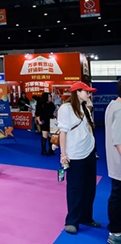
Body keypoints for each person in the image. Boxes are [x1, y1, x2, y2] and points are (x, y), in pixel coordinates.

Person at [59, 82, 100, 235]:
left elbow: (89, 129)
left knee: (90, 187)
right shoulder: (66, 109)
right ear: (77, 92)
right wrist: (63, 154)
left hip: (89, 152)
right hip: (75, 154)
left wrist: (93, 148)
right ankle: (72, 220)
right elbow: (63, 132)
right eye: (86, 92)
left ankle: (86, 217)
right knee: (75, 188)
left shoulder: (86, 109)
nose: (89, 94)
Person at [105, 79, 121, 244]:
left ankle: (115, 228)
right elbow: (118, 141)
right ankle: (116, 233)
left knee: (117, 195)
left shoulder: (113, 105)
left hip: (115, 162)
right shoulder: (120, 109)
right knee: (117, 196)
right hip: (119, 162)